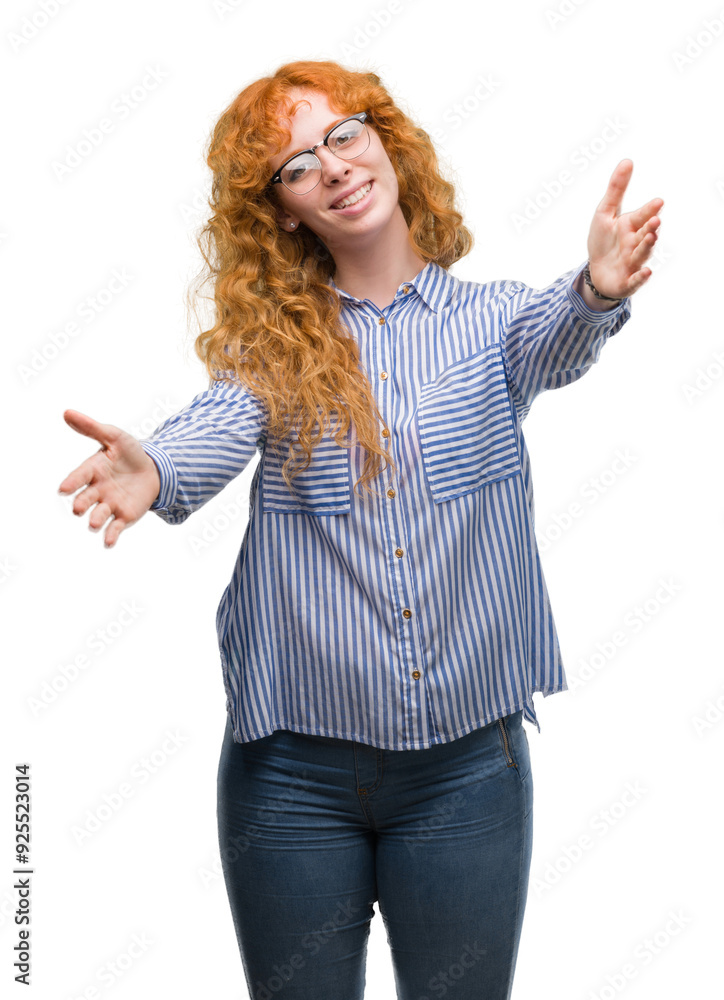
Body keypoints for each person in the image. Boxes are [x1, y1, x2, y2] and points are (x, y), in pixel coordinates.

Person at [57, 59, 663, 1000]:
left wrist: (597, 288)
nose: (332, 166)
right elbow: (219, 420)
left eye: (343, 135)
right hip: (289, 781)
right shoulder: (277, 351)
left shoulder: (493, 324)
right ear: (283, 212)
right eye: (297, 165)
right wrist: (157, 468)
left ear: (385, 141)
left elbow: (557, 334)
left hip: (468, 773)